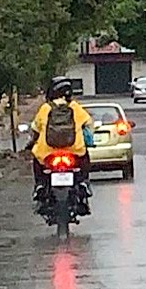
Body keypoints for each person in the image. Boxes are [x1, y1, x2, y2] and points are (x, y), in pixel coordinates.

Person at [30, 77, 95, 215]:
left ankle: (40, 185)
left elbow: (35, 128)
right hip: (74, 150)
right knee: (85, 157)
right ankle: (83, 182)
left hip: (47, 152)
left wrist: (32, 142)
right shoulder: (75, 107)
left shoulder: (45, 108)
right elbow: (88, 123)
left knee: (36, 159)